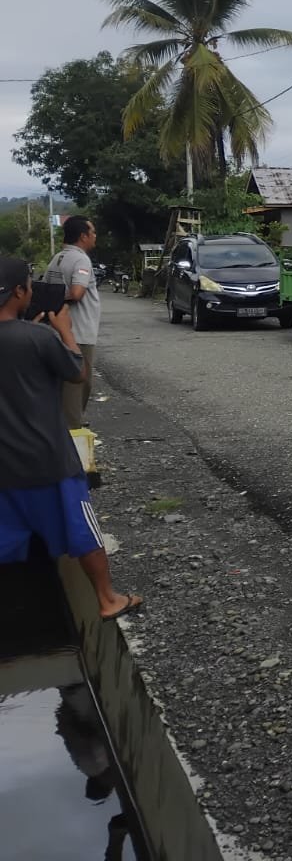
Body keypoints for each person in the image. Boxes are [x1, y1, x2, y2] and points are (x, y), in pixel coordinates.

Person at [0, 255, 141, 620]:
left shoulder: (30, 335)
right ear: (19, 292)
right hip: (49, 462)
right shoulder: (38, 337)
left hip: (5, 468)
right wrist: (64, 330)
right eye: (28, 285)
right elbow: (77, 372)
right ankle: (108, 599)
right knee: (82, 530)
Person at [43, 216, 100, 430]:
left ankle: (63, 426)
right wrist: (61, 298)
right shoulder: (81, 260)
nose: (95, 236)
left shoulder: (57, 258)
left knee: (64, 386)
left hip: (56, 331)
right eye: (92, 232)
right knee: (78, 384)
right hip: (79, 333)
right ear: (83, 236)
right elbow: (77, 293)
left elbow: (44, 290)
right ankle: (72, 432)